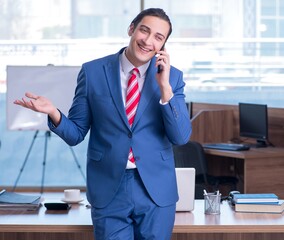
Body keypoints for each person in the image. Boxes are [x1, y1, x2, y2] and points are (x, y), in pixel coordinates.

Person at [14, 8, 192, 240]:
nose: (148, 41)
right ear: (131, 29)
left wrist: (165, 88)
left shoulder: (172, 78)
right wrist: (54, 112)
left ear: (163, 46)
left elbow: (180, 137)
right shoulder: (93, 72)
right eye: (144, 31)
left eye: (158, 37)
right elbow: (76, 133)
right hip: (109, 188)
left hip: (156, 191)